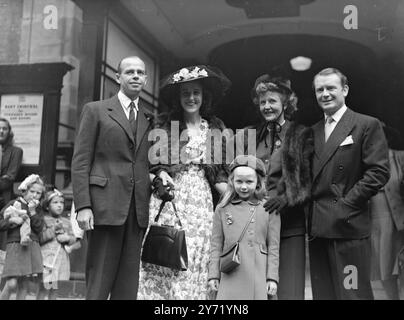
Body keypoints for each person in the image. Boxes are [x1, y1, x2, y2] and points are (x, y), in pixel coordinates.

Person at [71, 56, 171, 300]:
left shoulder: (150, 119)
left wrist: (162, 173)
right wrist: (83, 206)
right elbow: (81, 161)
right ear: (118, 77)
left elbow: (151, 162)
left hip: (136, 211)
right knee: (99, 283)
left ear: (146, 79)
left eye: (140, 72)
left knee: (127, 288)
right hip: (105, 207)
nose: (136, 76)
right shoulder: (95, 110)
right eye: (130, 72)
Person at [137, 65, 231, 300]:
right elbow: (152, 166)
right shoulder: (164, 126)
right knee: (165, 248)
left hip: (200, 197)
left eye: (195, 92)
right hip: (170, 195)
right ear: (178, 98)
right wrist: (160, 174)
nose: (191, 98)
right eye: (185, 93)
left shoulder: (215, 128)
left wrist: (233, 194)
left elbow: (218, 173)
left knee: (196, 251)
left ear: (203, 96)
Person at [308, 67, 390, 300]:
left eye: (331, 88)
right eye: (319, 89)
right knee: (324, 295)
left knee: (352, 294)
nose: (325, 94)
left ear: (344, 89)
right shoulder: (312, 131)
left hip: (348, 227)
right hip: (318, 229)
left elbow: (378, 172)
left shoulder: (366, 124)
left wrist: (345, 205)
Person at [243, 74, 313, 300]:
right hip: (257, 223)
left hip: (289, 225)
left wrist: (286, 198)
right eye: (262, 102)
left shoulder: (301, 134)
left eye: (272, 101)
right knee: (257, 289)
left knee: (288, 291)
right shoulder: (253, 135)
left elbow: (308, 178)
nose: (266, 106)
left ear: (285, 103)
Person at [208, 155, 280, 300]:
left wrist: (272, 278)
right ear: (231, 181)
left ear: (258, 182)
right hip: (230, 273)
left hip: (258, 274)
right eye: (239, 181)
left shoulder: (269, 208)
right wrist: (213, 275)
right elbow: (216, 245)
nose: (244, 186)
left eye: (249, 181)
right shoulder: (222, 208)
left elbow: (274, 247)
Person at [369, 125, 404, 300]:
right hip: (377, 223)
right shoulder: (364, 163)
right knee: (385, 270)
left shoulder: (400, 158)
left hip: (400, 222)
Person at [0, 174, 45, 300]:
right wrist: (12, 221)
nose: (35, 195)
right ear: (24, 190)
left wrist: (33, 212)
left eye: (38, 193)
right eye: (32, 191)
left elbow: (39, 227)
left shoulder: (37, 208)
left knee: (24, 283)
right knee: (11, 283)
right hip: (15, 245)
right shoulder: (14, 204)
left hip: (32, 245)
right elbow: (1, 222)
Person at [37, 189, 80, 300]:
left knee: (55, 288)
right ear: (47, 206)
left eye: (61, 202)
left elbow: (75, 240)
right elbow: (40, 238)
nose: (59, 205)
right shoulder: (44, 220)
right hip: (47, 259)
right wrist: (53, 230)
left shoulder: (66, 221)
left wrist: (67, 238)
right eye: (55, 203)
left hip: (60, 259)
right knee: (45, 287)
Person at [0, 118, 23, 251]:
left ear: (9, 132)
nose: (1, 131)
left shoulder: (16, 152)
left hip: (5, 201)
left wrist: (6, 178)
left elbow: (9, 179)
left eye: (4, 128)